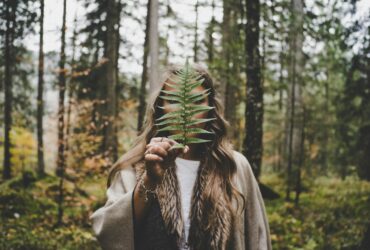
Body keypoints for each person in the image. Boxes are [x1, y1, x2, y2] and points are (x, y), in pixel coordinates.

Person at [90, 64, 272, 250]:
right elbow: (110, 232)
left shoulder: (234, 166)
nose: (187, 109)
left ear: (210, 107)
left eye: (197, 100)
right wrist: (150, 180)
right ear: (161, 107)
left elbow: (257, 238)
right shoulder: (137, 164)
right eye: (175, 99)